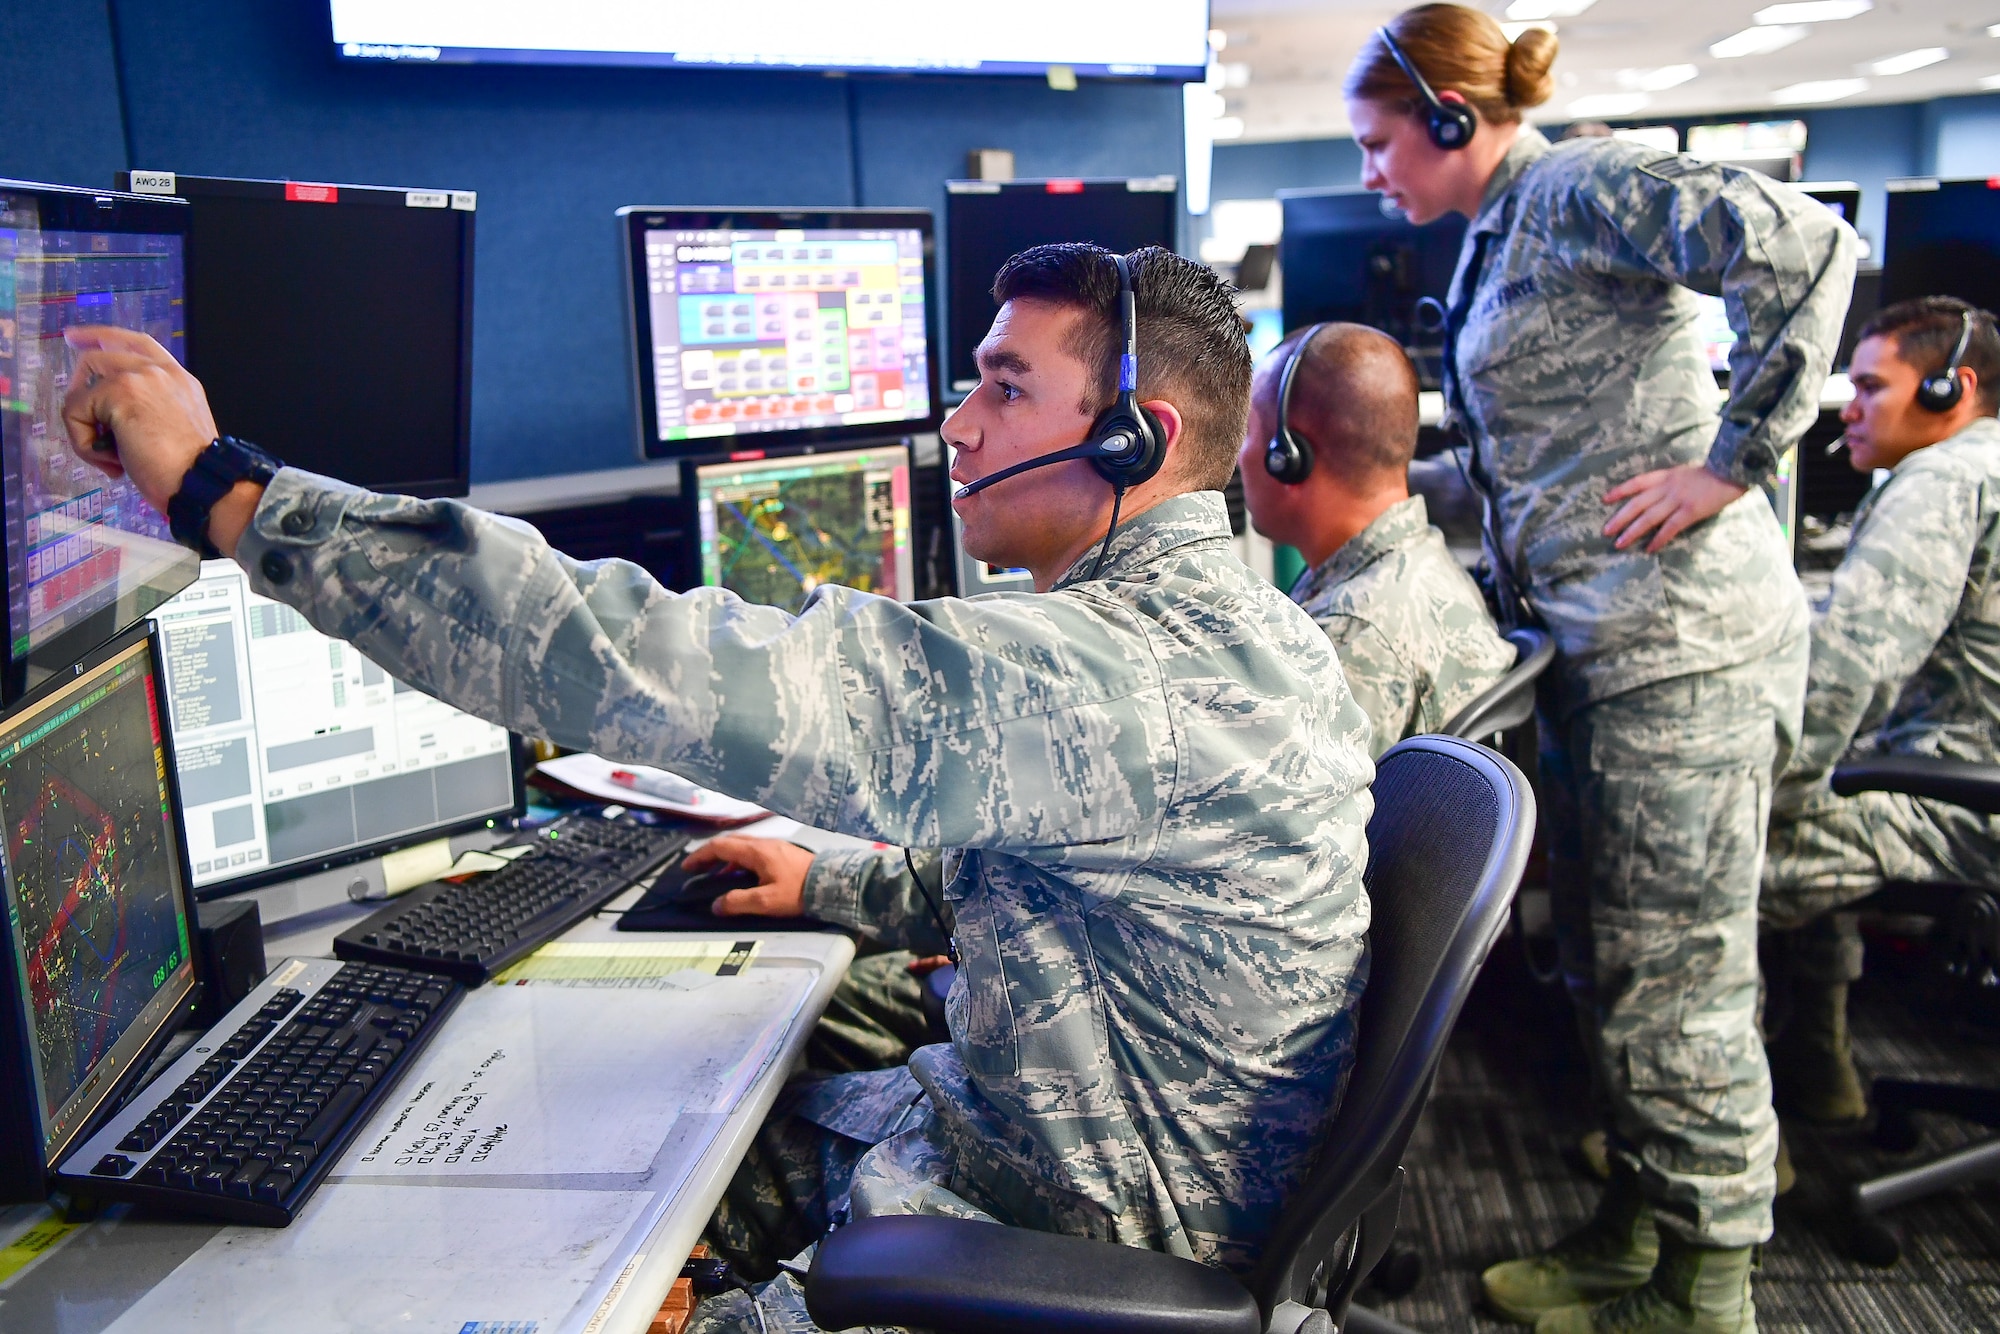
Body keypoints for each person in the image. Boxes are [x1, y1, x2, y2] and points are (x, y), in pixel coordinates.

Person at [61, 244, 1376, 1333]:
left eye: (1004, 386)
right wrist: (834, 878)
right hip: (1043, 1155)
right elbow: (1046, 858)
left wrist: (230, 494)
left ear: (1132, 437)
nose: (957, 422)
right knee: (613, 1185)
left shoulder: (1112, 669)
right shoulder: (1233, 633)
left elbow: (655, 665)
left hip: (1056, 1249)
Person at [1343, 6, 1855, 1331]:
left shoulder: (1583, 182)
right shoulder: (1504, 230)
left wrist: (1732, 461)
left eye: (1379, 142)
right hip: (1597, 646)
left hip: (1677, 652)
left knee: (1675, 977)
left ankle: (1707, 1286)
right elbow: (1545, 457)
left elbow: (1807, 246)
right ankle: (1638, 1226)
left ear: (1451, 116)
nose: (1370, 173)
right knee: (1605, 966)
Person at [1760, 297, 2000, 1125]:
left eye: (1870, 386)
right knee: (1824, 786)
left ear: (1949, 389)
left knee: (1717, 854)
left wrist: (1753, 785)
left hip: (1969, 800)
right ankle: (1817, 1066)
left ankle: (1724, 1139)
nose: (1848, 407)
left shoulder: (1946, 479)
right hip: (1966, 771)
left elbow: (1849, 671)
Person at [1237, 321, 1515, 754]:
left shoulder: (1355, 635)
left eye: (1248, 432)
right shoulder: (1415, 558)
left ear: (1289, 457)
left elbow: (1281, 811)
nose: (1240, 455)